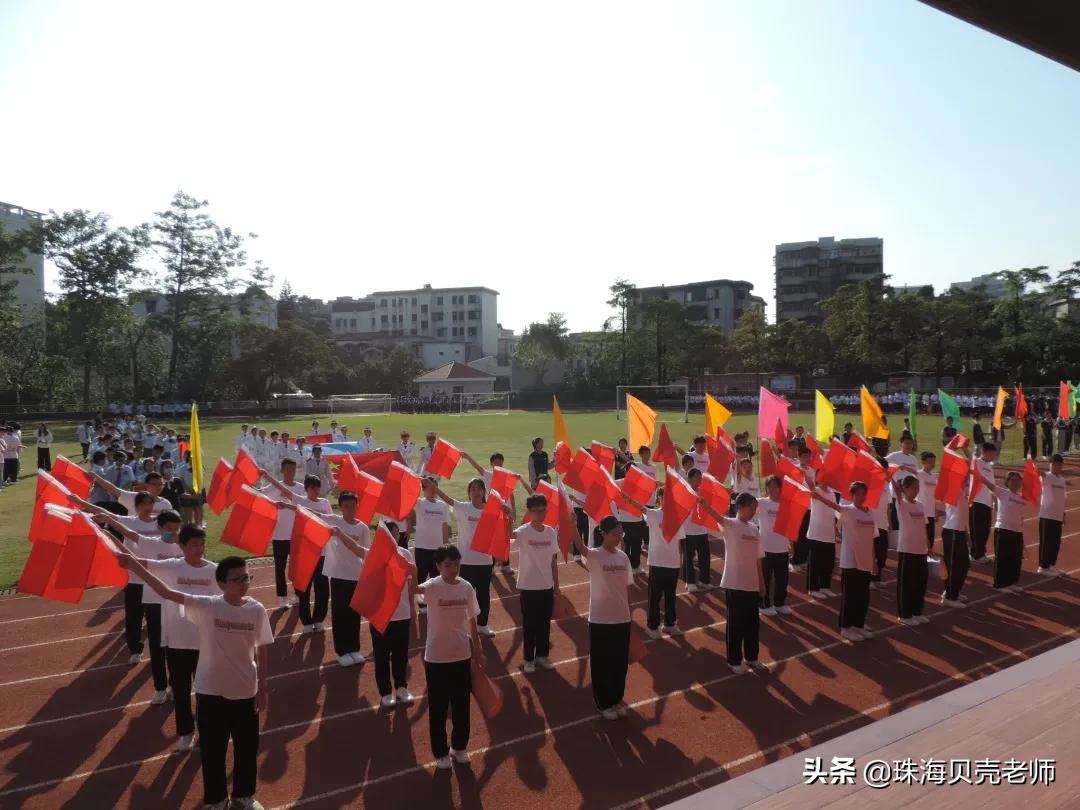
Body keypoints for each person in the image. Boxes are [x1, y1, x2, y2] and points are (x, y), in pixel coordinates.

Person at [118, 554, 272, 810]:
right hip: (210, 691)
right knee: (212, 750)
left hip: (245, 690)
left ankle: (244, 796)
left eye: (247, 577)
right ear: (221, 583)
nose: (244, 583)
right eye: (237, 579)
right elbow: (166, 592)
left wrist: (263, 688)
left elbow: (263, 649)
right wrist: (134, 565)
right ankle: (217, 799)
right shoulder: (208, 606)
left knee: (246, 748)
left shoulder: (256, 609)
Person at [121, 524, 217, 751]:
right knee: (181, 691)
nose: (199, 549)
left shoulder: (213, 571)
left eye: (202, 544)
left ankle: (207, 730)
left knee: (206, 692)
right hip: (177, 641)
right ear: (181, 546)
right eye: (194, 544)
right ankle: (185, 732)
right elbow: (143, 565)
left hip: (205, 642)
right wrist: (125, 557)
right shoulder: (172, 567)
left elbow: (223, 603)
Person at [87, 506, 184, 688]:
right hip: (154, 600)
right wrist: (107, 520)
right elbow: (128, 533)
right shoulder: (150, 543)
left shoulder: (185, 545)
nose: (173, 532)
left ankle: (175, 684)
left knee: (176, 647)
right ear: (160, 528)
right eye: (169, 529)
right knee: (156, 647)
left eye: (176, 528)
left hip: (176, 601)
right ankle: (160, 687)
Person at [333, 519, 418, 705]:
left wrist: (412, 606)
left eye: (395, 534)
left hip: (402, 613)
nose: (392, 537)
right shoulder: (373, 554)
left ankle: (402, 687)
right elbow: (355, 548)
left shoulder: (405, 554)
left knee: (401, 654)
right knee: (381, 655)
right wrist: (339, 533)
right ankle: (386, 692)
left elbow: (411, 583)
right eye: (388, 534)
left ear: (398, 535)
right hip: (380, 615)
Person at [417, 545, 484, 768]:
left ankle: (459, 746)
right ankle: (440, 752)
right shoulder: (433, 586)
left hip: (461, 655)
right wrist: (406, 574)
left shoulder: (466, 588)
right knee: (438, 707)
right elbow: (414, 591)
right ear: (438, 566)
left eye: (456, 564)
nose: (452, 569)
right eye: (447, 565)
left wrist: (479, 650)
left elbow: (473, 621)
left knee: (461, 705)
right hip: (436, 658)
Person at [574, 515, 634, 719]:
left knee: (619, 662)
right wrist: (573, 525)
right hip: (600, 619)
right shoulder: (595, 556)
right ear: (604, 534)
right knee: (602, 663)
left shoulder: (623, 557)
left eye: (621, 533)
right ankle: (603, 702)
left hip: (622, 617)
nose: (619, 537)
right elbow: (581, 547)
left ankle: (617, 699)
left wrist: (630, 613)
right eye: (616, 533)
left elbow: (628, 588)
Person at [700, 493, 767, 673]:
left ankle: (752, 658)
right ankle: (734, 660)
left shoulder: (754, 529)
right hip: (735, 583)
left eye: (755, 508)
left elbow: (759, 559)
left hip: (752, 583)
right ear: (740, 506)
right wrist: (704, 503)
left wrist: (762, 583)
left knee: (752, 624)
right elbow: (716, 516)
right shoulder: (730, 525)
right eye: (751, 508)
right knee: (736, 624)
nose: (754, 511)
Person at [265, 473, 334, 632]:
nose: (316, 491)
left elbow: (330, 521)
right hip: (304, 554)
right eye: (312, 488)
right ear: (306, 489)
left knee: (322, 590)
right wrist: (265, 475)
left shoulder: (324, 503)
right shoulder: (300, 500)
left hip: (321, 553)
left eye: (317, 488)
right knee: (304, 589)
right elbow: (283, 489)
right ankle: (307, 622)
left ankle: (318, 620)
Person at [812, 481, 877, 640]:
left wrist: (874, 560)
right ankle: (846, 627)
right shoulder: (848, 511)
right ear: (852, 495)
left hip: (865, 561)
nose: (861, 497)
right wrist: (818, 497)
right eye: (858, 494)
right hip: (850, 561)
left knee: (863, 596)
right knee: (850, 595)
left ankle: (858, 625)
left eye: (863, 494)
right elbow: (833, 505)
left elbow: (872, 538)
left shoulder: (869, 513)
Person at [431, 480, 497, 637]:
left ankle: (483, 625)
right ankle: (462, 627)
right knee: (463, 596)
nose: (476, 492)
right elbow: (446, 499)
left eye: (479, 489)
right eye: (473, 489)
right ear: (469, 492)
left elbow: (499, 530)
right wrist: (433, 487)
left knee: (483, 595)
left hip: (485, 560)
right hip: (466, 561)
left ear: (483, 492)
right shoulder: (463, 508)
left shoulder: (490, 510)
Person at [318, 492, 369, 667]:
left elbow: (364, 552)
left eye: (352, 506)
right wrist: (288, 505)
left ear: (357, 506)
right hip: (339, 576)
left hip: (356, 576)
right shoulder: (334, 522)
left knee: (354, 614)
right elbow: (312, 514)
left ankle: (354, 648)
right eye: (346, 507)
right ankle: (342, 651)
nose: (349, 510)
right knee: (340, 614)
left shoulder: (362, 528)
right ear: (340, 508)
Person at [512, 494, 561, 674]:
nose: (541, 514)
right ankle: (528, 659)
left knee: (544, 623)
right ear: (530, 512)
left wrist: (557, 585)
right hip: (528, 586)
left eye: (543, 510)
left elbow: (553, 561)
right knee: (529, 625)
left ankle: (542, 655)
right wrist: (508, 516)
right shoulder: (523, 531)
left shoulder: (550, 532)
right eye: (537, 511)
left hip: (546, 586)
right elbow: (509, 535)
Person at [629, 486, 683, 637]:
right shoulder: (654, 514)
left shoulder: (677, 516)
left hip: (673, 562)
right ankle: (652, 626)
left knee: (671, 596)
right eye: (664, 497)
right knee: (655, 595)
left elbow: (679, 541)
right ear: (659, 498)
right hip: (657, 562)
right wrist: (629, 499)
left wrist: (679, 561)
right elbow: (641, 508)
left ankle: (670, 624)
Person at [978, 469, 1028, 592]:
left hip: (1017, 532)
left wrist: (1023, 539)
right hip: (1003, 530)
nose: (1016, 483)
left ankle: (1012, 582)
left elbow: (1021, 517)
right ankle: (999, 584)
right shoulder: (1002, 493)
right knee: (1002, 558)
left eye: (1018, 480)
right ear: (1007, 482)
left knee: (1015, 559)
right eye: (1013, 480)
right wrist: (977, 474)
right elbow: (989, 484)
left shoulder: (1022, 499)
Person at [892, 474, 929, 626]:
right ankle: (905, 614)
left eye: (918, 487)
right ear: (905, 488)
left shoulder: (920, 505)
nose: (917, 490)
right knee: (907, 583)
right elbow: (896, 491)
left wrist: (928, 543)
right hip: (907, 549)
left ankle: (916, 611)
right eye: (914, 487)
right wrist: (891, 478)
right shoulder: (901, 504)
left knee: (920, 582)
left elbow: (924, 525)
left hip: (921, 549)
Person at [412, 477, 450, 610]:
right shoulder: (419, 503)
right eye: (430, 487)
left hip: (438, 548)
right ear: (424, 490)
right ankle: (422, 605)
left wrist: (445, 544)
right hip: (422, 546)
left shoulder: (443, 506)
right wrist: (419, 479)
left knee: (436, 576)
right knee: (422, 575)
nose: (433, 490)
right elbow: (409, 492)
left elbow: (445, 526)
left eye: (435, 487)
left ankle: (433, 601)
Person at [756, 476, 791, 616]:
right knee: (765, 578)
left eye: (775, 486)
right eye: (769, 487)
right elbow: (744, 501)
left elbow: (789, 526)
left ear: (780, 488)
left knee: (782, 579)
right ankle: (763, 604)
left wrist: (791, 544)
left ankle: (779, 603)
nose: (772, 489)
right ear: (766, 489)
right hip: (766, 548)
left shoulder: (786, 505)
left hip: (782, 548)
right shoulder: (761, 503)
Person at [940, 474, 972, 608]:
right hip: (951, 531)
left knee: (964, 564)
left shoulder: (963, 492)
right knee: (953, 565)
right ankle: (949, 596)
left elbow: (963, 514)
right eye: (964, 477)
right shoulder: (953, 490)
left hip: (959, 532)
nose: (966, 479)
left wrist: (967, 533)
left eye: (966, 478)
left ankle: (954, 591)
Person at [681, 469, 713, 593]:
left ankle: (705, 581)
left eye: (700, 477)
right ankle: (690, 582)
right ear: (689, 478)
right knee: (688, 558)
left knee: (705, 556)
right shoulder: (684, 492)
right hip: (688, 531)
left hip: (702, 530)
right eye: (696, 477)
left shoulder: (703, 493)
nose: (699, 480)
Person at [805, 482, 839, 599]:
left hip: (829, 534)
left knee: (828, 563)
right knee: (815, 563)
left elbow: (834, 512)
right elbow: (810, 487)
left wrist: (835, 529)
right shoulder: (816, 490)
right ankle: (812, 588)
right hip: (816, 533)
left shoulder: (832, 493)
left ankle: (825, 587)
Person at [1037, 454, 1067, 575]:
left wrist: (1063, 514)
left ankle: (1051, 565)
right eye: (1054, 464)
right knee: (1046, 542)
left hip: (1058, 516)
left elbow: (1063, 498)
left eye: (1059, 464)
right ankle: (1043, 567)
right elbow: (1040, 474)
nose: (1056, 466)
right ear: (1050, 464)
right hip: (1047, 515)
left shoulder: (1062, 480)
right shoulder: (1046, 477)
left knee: (1055, 542)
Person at [969, 443, 997, 564]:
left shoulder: (989, 467)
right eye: (992, 453)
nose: (994, 456)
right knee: (977, 529)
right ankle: (976, 555)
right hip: (977, 500)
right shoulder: (977, 462)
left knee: (985, 529)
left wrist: (995, 500)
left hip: (987, 502)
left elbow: (992, 486)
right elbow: (969, 457)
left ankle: (980, 553)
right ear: (985, 452)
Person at [916, 452, 939, 556]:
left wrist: (935, 511)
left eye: (934, 462)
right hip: (921, 511)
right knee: (921, 536)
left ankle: (928, 555)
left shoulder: (934, 477)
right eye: (930, 462)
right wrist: (902, 467)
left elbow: (933, 496)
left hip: (931, 512)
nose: (932, 464)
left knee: (931, 537)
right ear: (923, 462)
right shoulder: (919, 474)